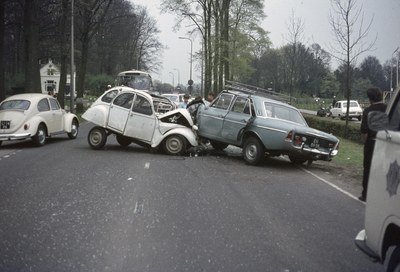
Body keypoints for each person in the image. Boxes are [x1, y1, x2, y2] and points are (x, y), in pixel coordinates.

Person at [359, 87, 387, 202]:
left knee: (368, 168)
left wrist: (365, 142)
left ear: (370, 99)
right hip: (386, 142)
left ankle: (366, 194)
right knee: (384, 168)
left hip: (372, 142)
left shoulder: (368, 111)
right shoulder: (389, 108)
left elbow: (364, 132)